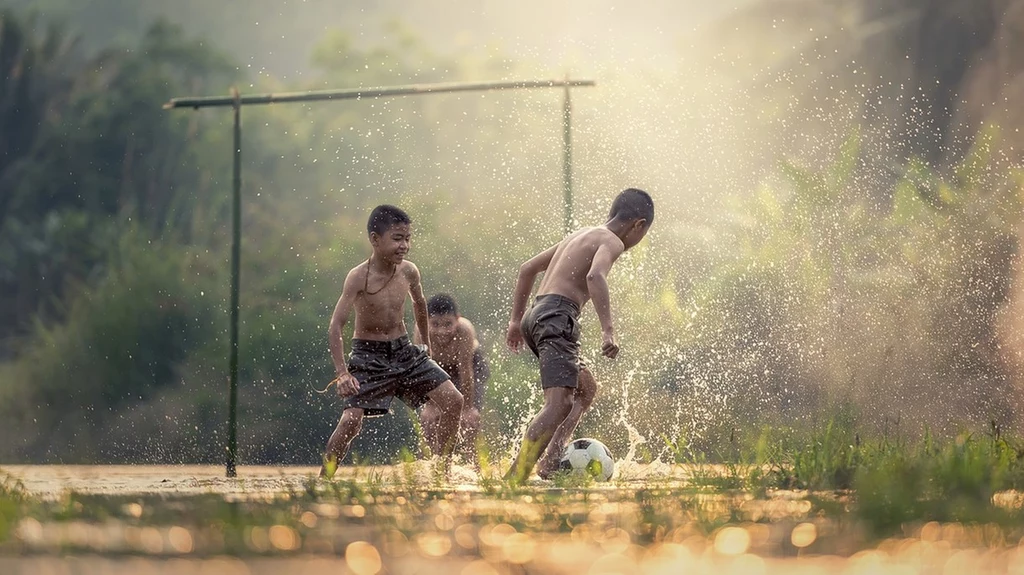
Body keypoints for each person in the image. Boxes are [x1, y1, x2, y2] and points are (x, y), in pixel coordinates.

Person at [504, 188, 654, 483]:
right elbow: (594, 276)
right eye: (643, 233)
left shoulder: (583, 234)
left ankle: (551, 460)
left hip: (537, 315)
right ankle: (513, 480)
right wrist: (608, 330)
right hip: (558, 316)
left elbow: (527, 269)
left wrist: (515, 320)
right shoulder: (612, 241)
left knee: (585, 389)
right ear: (638, 224)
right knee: (558, 404)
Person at [320, 205, 464, 479]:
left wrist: (427, 349)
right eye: (397, 238)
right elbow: (336, 325)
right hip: (368, 355)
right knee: (351, 420)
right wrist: (342, 373)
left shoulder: (409, 272)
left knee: (454, 401)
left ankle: (441, 472)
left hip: (404, 351)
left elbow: (420, 304)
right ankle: (324, 480)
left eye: (408, 238)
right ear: (375, 239)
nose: (405, 245)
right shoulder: (358, 277)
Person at [417, 294, 490, 460]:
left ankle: (473, 461)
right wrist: (430, 406)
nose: (442, 331)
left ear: (458, 319)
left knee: (469, 420)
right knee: (430, 419)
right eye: (435, 324)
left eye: (448, 324)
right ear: (426, 321)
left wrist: (468, 407)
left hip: (469, 366)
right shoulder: (420, 332)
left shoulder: (465, 330)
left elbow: (466, 370)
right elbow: (423, 371)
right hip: (436, 368)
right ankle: (431, 462)